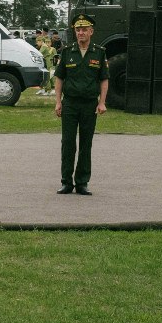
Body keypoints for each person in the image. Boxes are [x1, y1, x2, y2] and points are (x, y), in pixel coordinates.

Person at [54, 13, 108, 195]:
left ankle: (82, 182)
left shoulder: (99, 52)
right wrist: (57, 102)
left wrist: (102, 103)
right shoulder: (67, 51)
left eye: (84, 29)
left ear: (91, 31)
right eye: (78, 30)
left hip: (89, 105)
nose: (81, 33)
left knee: (86, 143)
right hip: (69, 104)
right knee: (68, 142)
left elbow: (104, 80)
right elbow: (59, 78)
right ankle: (66, 182)